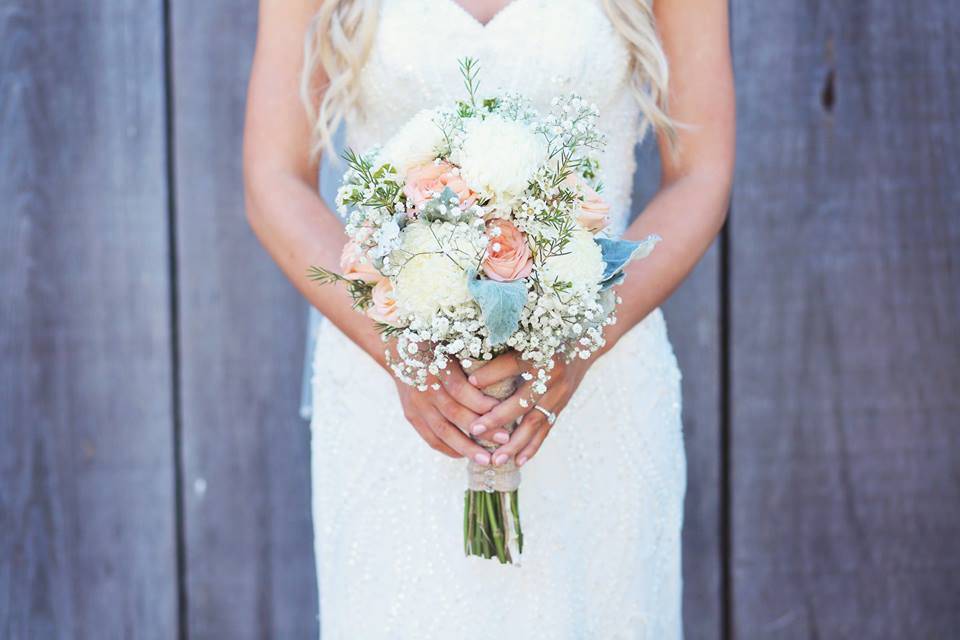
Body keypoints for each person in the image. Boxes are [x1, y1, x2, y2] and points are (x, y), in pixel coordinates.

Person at [243, 0, 734, 636]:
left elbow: (702, 173)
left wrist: (585, 337)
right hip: (395, 394)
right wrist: (398, 348)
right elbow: (272, 178)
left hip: (597, 381)